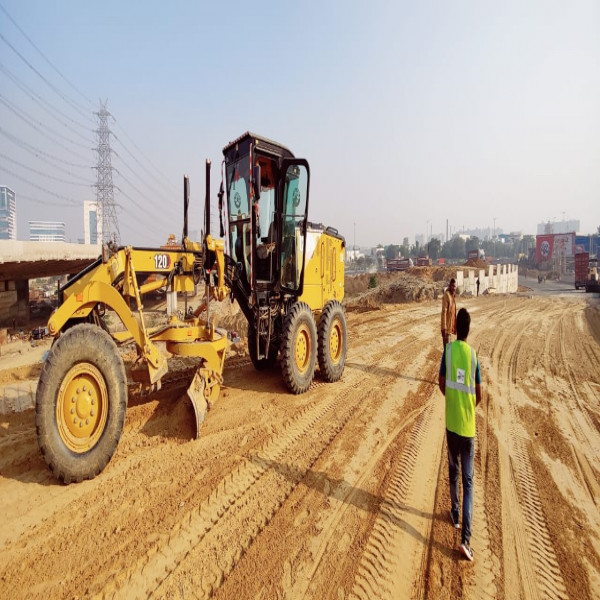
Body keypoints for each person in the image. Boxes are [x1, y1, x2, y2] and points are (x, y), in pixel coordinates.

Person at [438, 308, 482, 562]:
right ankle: (465, 540)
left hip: (451, 424)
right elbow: (480, 393)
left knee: (453, 472)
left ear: (455, 327)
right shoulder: (473, 356)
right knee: (469, 482)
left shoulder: (448, 352)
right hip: (468, 428)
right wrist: (468, 406)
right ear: (469, 329)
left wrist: (452, 401)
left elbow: (441, 383)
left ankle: (454, 513)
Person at [441, 278, 457, 347]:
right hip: (446, 329)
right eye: (452, 286)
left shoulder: (452, 296)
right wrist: (444, 328)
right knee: (448, 351)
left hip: (450, 328)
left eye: (455, 286)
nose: (454, 288)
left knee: (448, 351)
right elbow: (444, 312)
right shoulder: (447, 295)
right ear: (449, 286)